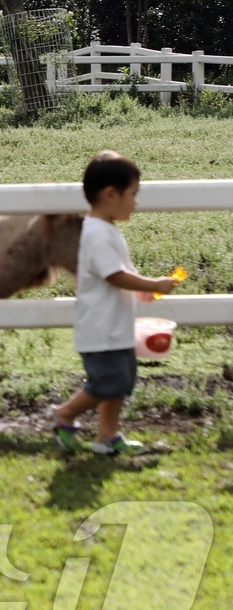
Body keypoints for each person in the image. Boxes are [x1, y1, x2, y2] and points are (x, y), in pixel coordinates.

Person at [49, 151, 179, 455]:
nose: (136, 202)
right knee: (109, 381)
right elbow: (114, 276)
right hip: (100, 328)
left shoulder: (106, 230)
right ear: (110, 194)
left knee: (120, 381)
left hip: (114, 326)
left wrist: (142, 291)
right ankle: (64, 414)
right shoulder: (97, 233)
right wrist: (153, 284)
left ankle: (106, 436)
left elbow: (122, 273)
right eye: (132, 194)